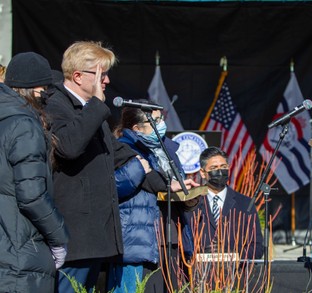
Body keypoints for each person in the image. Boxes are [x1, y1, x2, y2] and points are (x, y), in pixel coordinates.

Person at [43, 41, 149, 293]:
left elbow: (115, 153)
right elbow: (68, 147)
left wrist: (161, 176)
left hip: (95, 237)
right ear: (78, 76)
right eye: (101, 73)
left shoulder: (92, 108)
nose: (107, 80)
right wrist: (96, 107)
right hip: (74, 238)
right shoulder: (56, 104)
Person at [109, 104, 200, 293]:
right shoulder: (124, 149)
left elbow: (174, 188)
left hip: (173, 236)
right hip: (143, 240)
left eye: (161, 119)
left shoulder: (168, 151)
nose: (161, 124)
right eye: (154, 121)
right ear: (136, 128)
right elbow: (143, 183)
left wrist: (188, 199)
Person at [0, 52, 69, 291]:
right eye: (46, 89)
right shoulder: (24, 125)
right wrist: (59, 239)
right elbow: (31, 194)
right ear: (35, 90)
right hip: (20, 254)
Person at [188, 146, 263, 260]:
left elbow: (257, 247)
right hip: (198, 272)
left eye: (223, 167)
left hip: (234, 273)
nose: (219, 172)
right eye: (214, 168)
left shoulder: (245, 204)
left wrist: (230, 255)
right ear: (203, 173)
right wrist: (202, 255)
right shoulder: (191, 202)